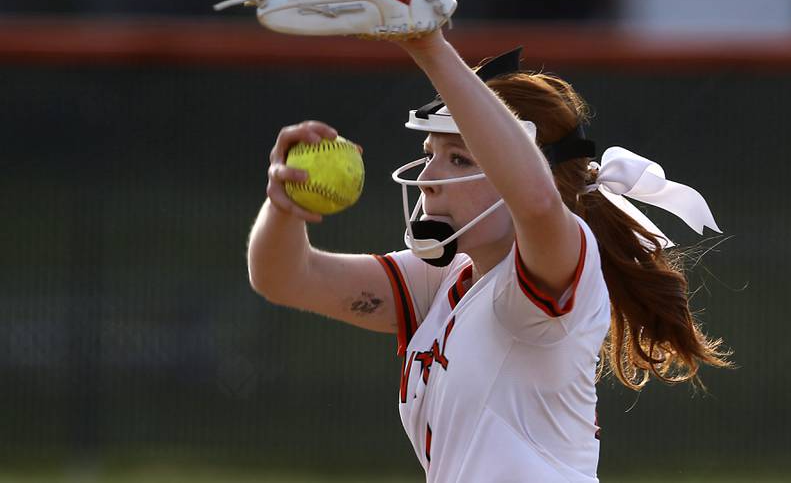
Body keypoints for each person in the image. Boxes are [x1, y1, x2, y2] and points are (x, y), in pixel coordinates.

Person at [247, 29, 730, 483]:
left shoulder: (560, 263)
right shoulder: (444, 280)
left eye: (460, 158)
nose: (431, 174)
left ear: (525, 171)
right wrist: (284, 207)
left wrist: (430, 44)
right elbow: (287, 277)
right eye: (431, 151)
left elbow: (538, 204)